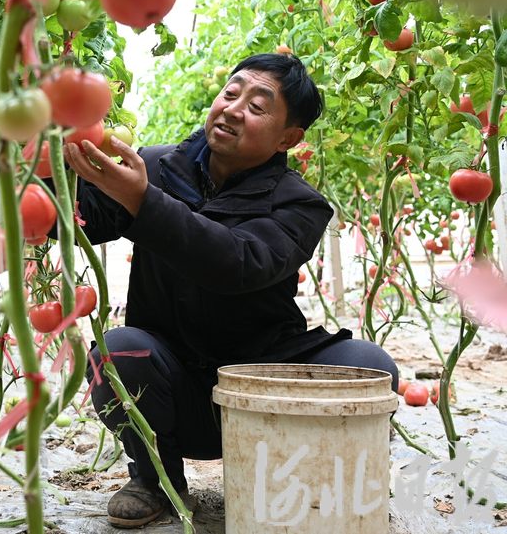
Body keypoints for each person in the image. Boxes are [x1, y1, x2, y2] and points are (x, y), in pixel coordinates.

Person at [61, 53, 398, 529]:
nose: (234, 109)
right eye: (231, 92)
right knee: (116, 352)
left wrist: (143, 200)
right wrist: (49, 157)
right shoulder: (154, 167)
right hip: (175, 388)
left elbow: (237, 264)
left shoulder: (300, 204)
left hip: (266, 388)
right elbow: (74, 219)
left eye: (257, 107)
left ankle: (301, 479)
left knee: (370, 367)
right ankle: (156, 480)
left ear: (288, 138)